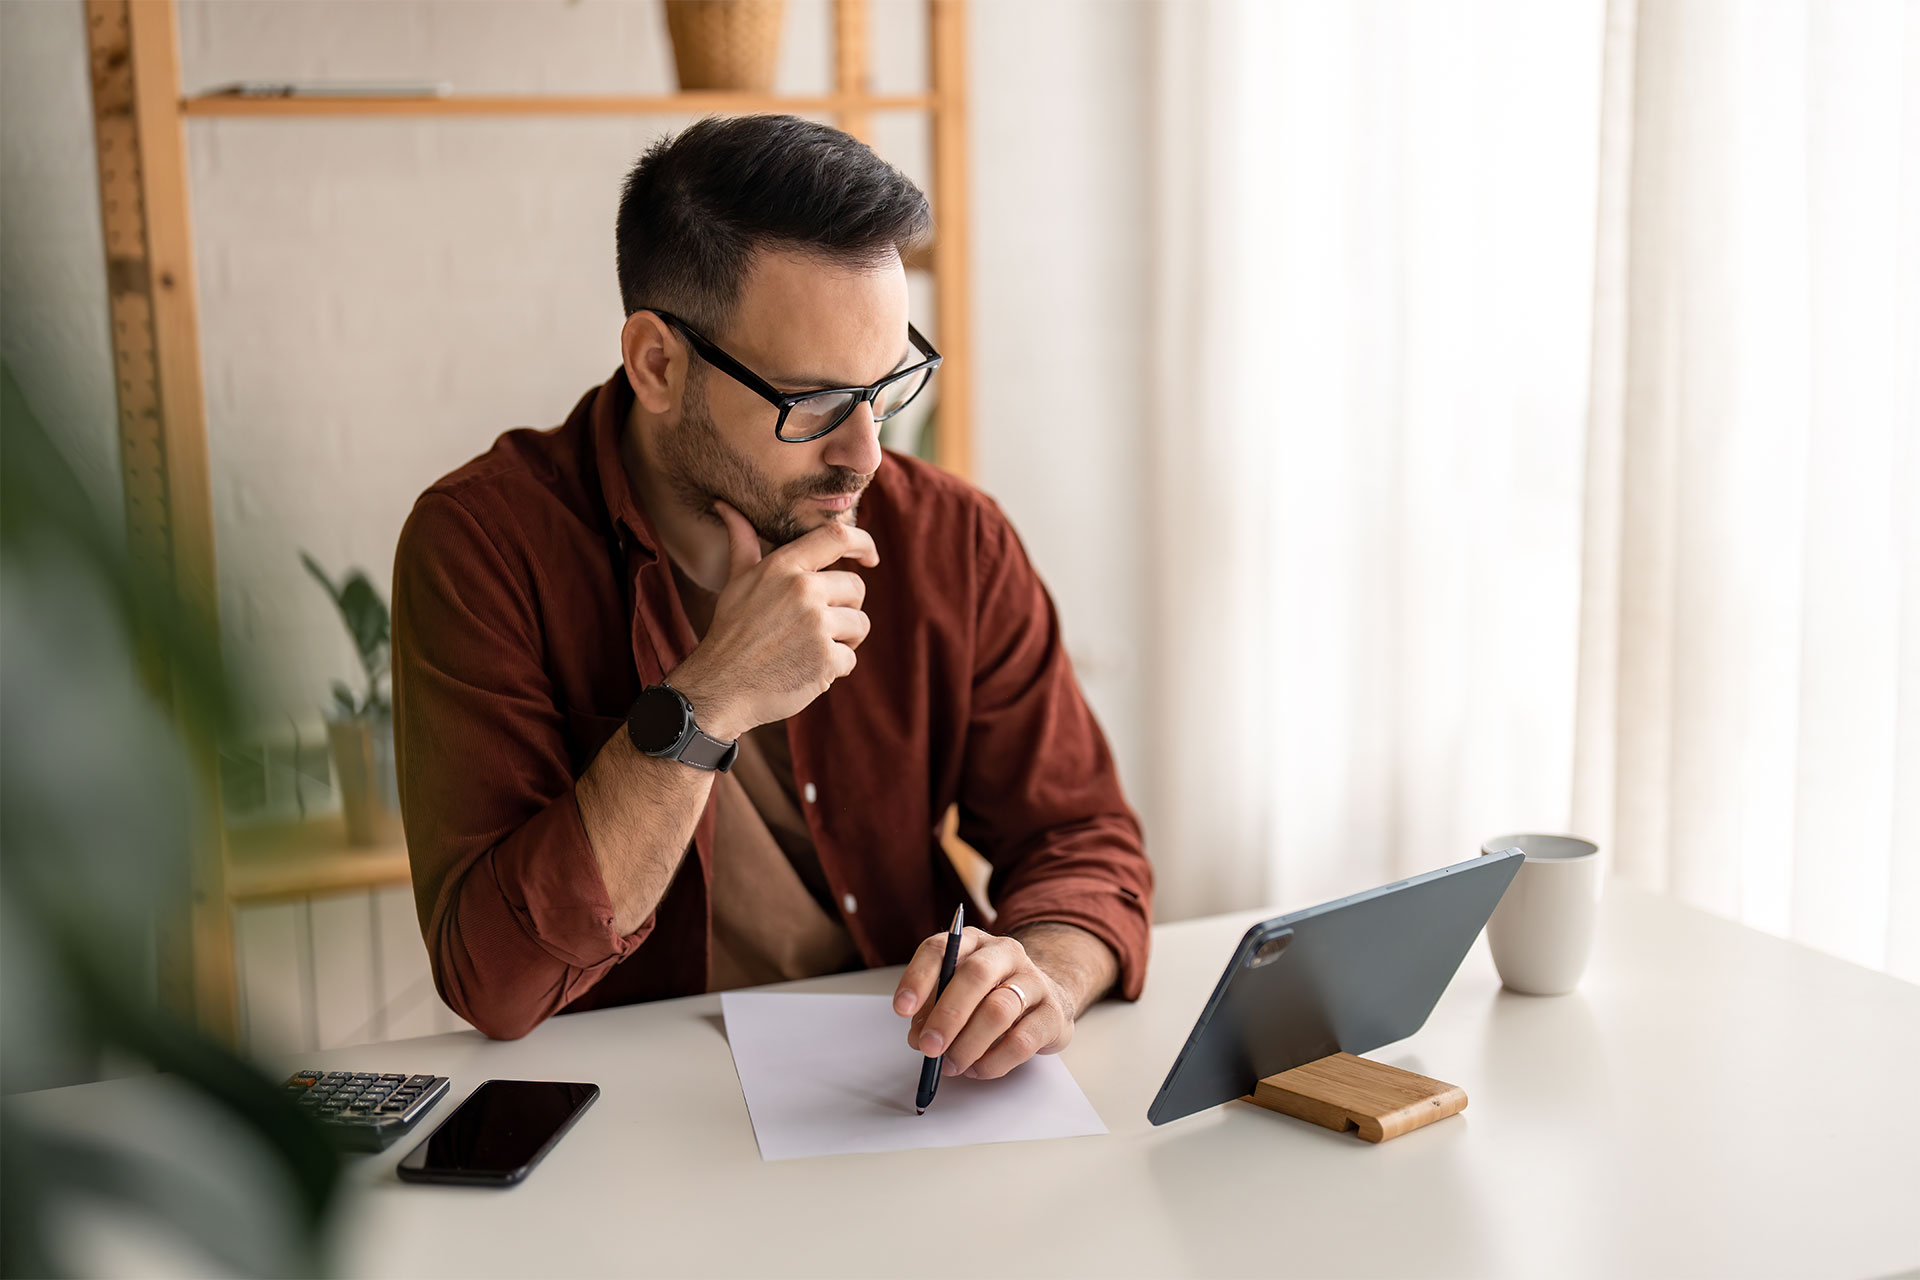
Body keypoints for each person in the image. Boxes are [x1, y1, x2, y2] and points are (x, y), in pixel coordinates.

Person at [392, 114, 1152, 1087]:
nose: (867, 451)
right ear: (656, 362)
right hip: (634, 1124)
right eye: (816, 401)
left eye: (888, 383)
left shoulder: (951, 538)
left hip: (901, 1087)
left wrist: (1036, 975)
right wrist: (706, 699)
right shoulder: (486, 547)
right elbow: (494, 978)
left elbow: (1083, 841)